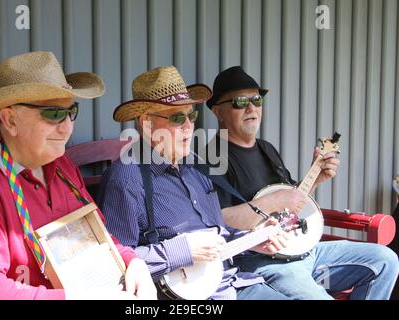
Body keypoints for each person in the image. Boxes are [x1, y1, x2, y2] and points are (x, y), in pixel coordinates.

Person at [0, 51, 156, 300]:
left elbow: (97, 233)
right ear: (10, 119)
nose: (67, 126)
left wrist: (133, 262)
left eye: (71, 112)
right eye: (54, 114)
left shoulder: (62, 166)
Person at [97, 66, 292, 300]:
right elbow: (117, 262)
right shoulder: (126, 179)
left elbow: (216, 233)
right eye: (177, 118)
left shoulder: (196, 165)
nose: (189, 126)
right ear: (146, 122)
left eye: (192, 115)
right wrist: (181, 251)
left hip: (233, 283)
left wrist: (252, 239)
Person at [205, 65, 399, 300]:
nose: (252, 108)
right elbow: (219, 219)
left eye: (256, 100)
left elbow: (290, 203)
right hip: (263, 260)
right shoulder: (213, 157)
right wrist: (272, 201)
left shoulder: (266, 149)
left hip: (305, 251)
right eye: (240, 102)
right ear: (218, 112)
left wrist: (315, 178)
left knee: (385, 260)